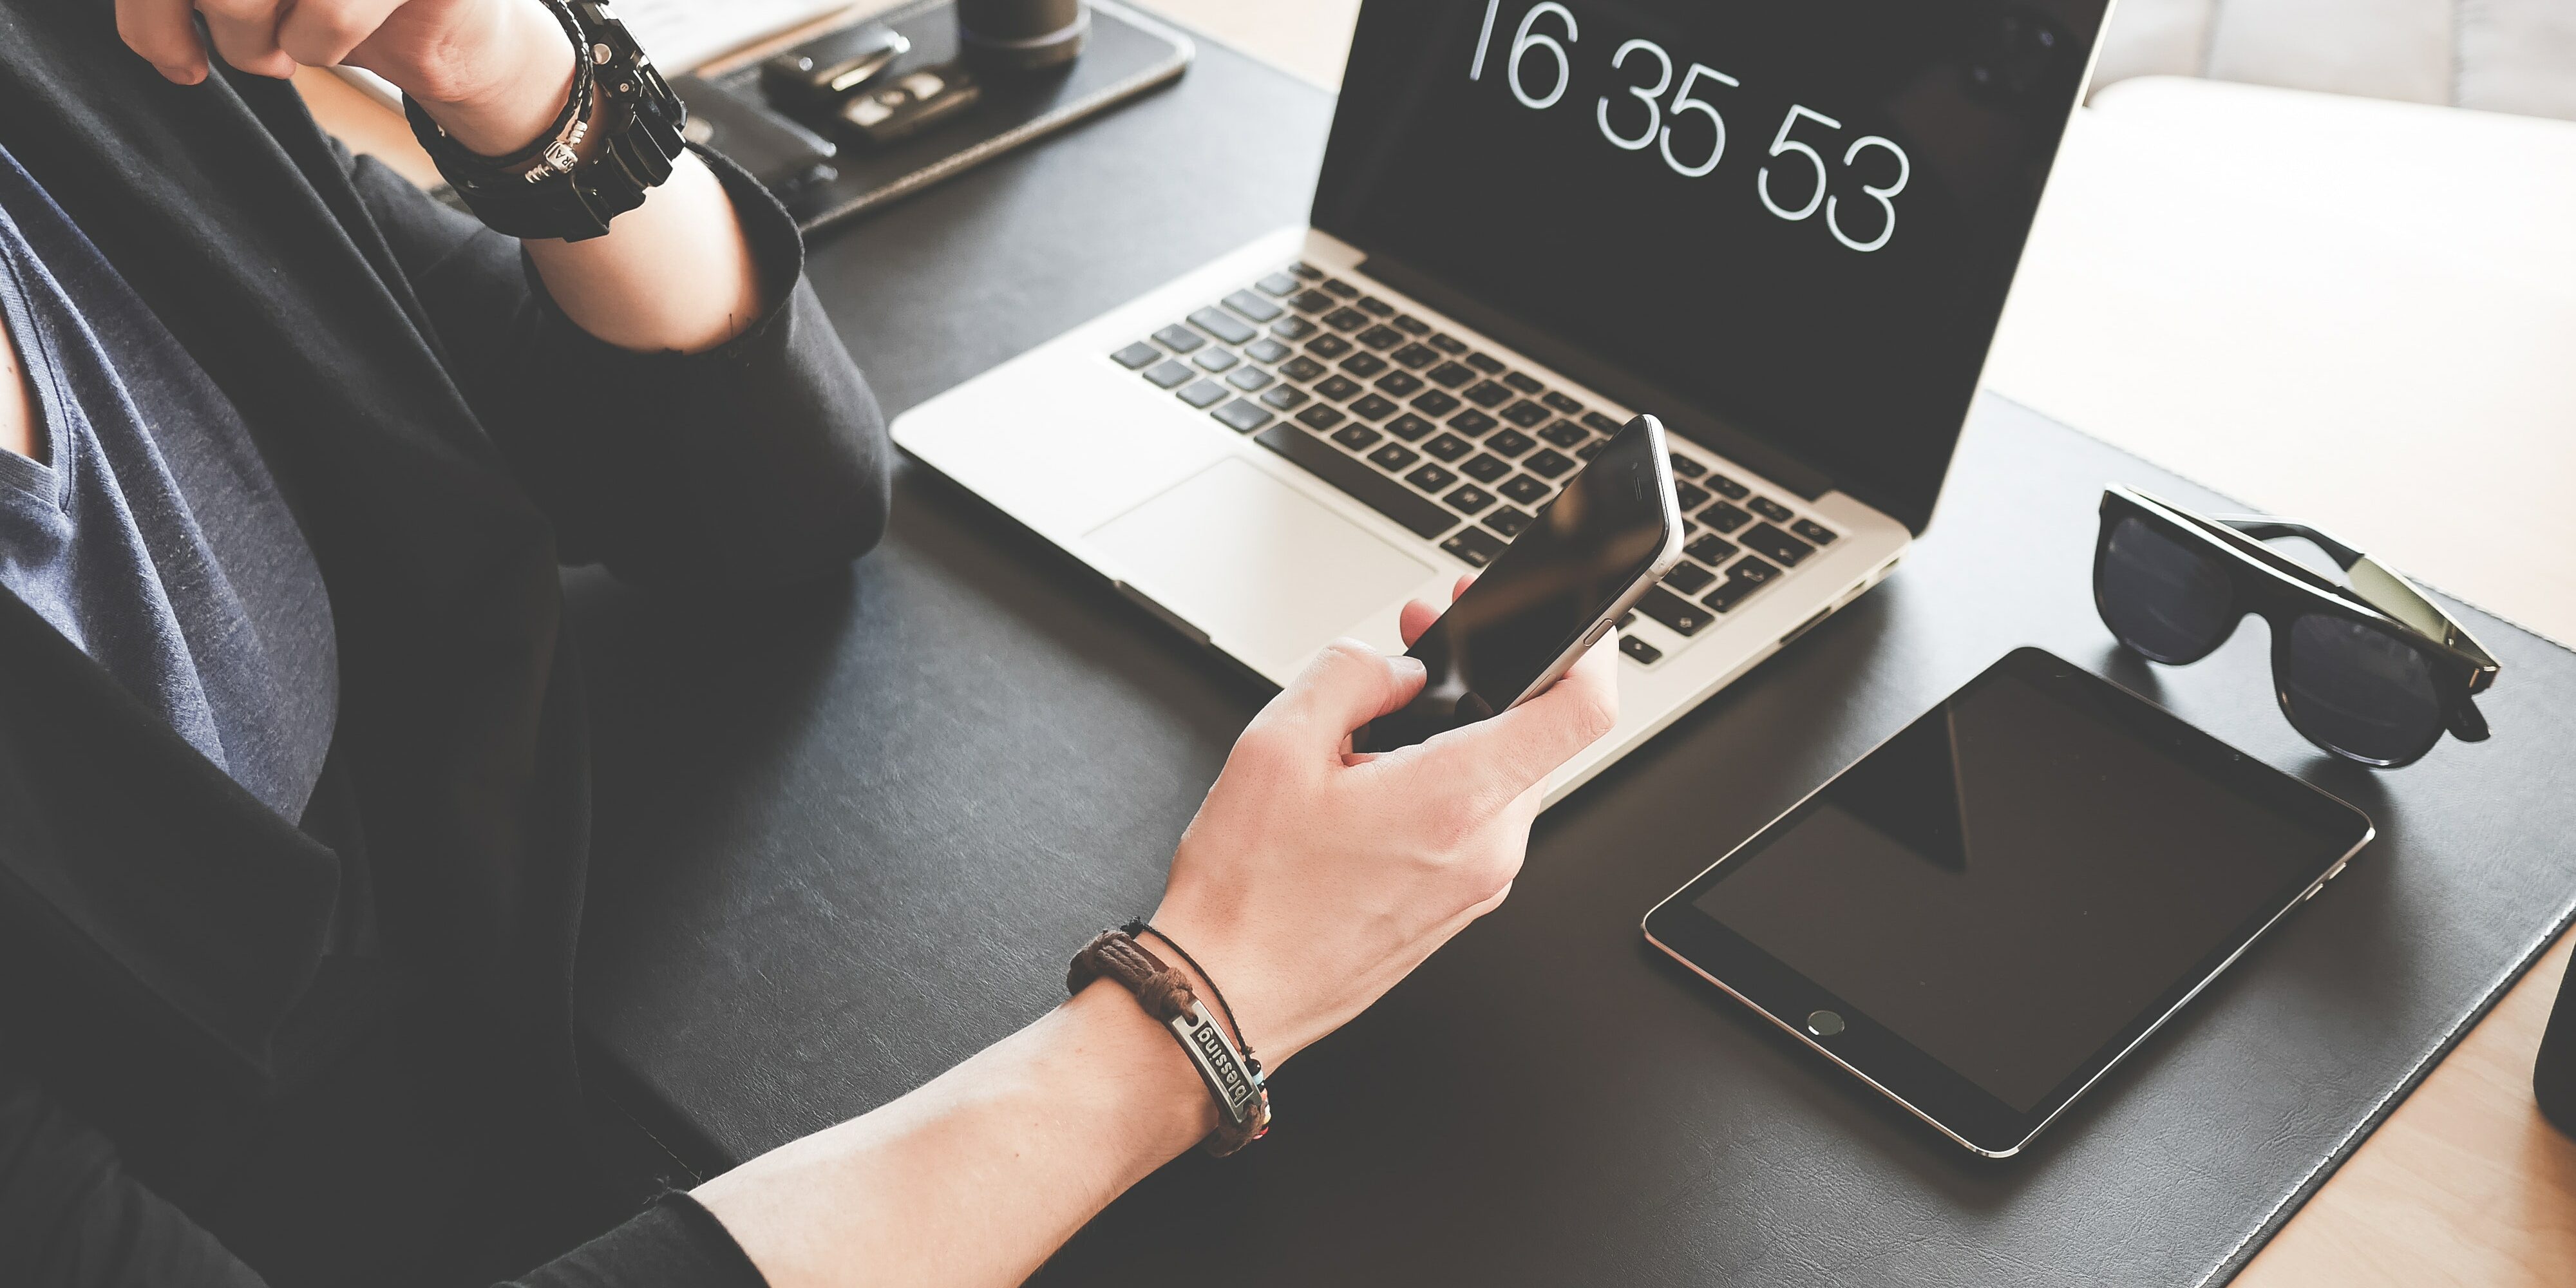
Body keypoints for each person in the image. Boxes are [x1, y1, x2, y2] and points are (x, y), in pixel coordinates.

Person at [0, 1, 1620, 1285]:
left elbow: (762, 501)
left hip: (534, 1096)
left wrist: (507, 65)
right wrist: (1199, 1009)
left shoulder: (78, 71)